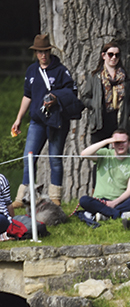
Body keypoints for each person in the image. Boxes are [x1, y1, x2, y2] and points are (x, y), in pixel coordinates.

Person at [11, 34, 82, 208]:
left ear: (50, 51)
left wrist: (56, 98)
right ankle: (23, 197)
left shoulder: (61, 70)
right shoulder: (31, 71)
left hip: (56, 120)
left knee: (55, 158)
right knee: (28, 157)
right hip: (37, 121)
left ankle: (55, 196)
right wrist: (18, 118)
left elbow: (71, 91)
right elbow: (27, 96)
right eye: (39, 52)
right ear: (35, 53)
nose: (43, 55)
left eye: (46, 51)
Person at [79, 130, 130, 220]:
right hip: (101, 201)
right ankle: (119, 214)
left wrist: (114, 202)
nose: (120, 145)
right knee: (84, 200)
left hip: (121, 201)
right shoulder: (105, 154)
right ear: (112, 144)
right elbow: (84, 154)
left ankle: (105, 214)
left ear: (129, 143)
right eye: (117, 142)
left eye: (123, 142)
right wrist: (107, 141)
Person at [82, 41, 130, 143]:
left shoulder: (125, 78)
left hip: (120, 123)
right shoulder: (95, 77)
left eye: (117, 55)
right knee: (99, 155)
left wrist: (128, 110)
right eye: (110, 54)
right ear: (103, 55)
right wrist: (94, 104)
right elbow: (85, 97)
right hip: (99, 123)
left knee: (119, 156)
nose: (113, 58)